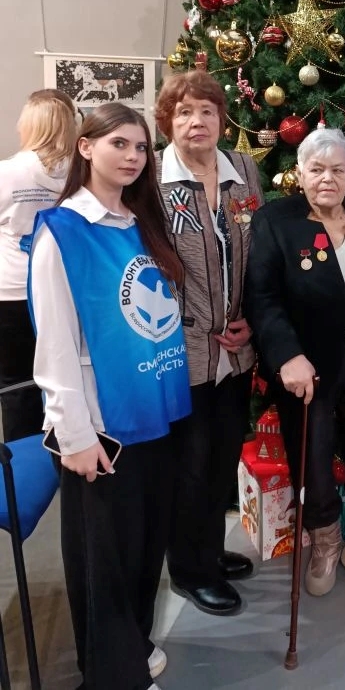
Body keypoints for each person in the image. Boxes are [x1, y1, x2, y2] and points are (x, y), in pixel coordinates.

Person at [30, 103, 190, 690]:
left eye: (141, 147)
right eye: (119, 143)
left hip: (157, 412)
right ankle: (113, 674)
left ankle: (134, 644)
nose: (132, 156)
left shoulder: (141, 222)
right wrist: (74, 435)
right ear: (85, 147)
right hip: (104, 424)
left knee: (145, 548)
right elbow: (54, 345)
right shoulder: (63, 231)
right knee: (106, 559)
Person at [244, 128, 345, 610]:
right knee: (312, 460)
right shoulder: (275, 220)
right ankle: (327, 541)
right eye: (316, 169)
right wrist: (286, 355)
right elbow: (263, 299)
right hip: (306, 368)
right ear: (300, 172)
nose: (327, 179)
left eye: (337, 169)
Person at [154, 71, 264, 616]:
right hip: (184, 348)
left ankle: (210, 551)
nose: (197, 121)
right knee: (191, 464)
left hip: (236, 349)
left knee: (223, 456)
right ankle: (189, 570)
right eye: (184, 112)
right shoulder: (153, 178)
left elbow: (258, 252)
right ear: (167, 122)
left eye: (207, 111)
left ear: (222, 118)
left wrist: (252, 321)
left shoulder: (243, 169)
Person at [0, 89, 77, 441]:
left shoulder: (8, 172)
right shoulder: (81, 174)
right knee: (64, 377)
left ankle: (23, 461)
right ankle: (66, 447)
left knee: (15, 385)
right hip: (62, 290)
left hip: (11, 292)